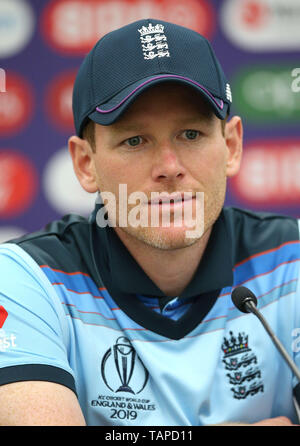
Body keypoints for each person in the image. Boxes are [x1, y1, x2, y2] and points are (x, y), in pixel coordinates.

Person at [0, 18, 299, 427]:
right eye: (135, 140)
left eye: (191, 134)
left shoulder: (293, 261)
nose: (169, 167)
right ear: (86, 164)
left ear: (231, 146)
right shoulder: (26, 280)